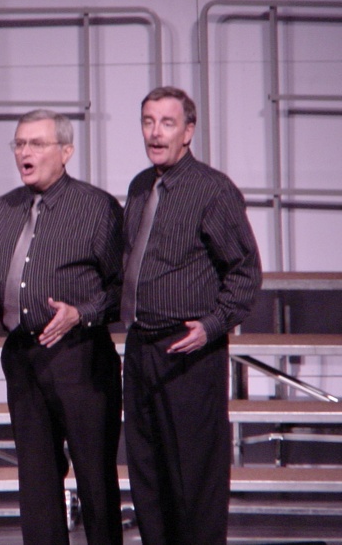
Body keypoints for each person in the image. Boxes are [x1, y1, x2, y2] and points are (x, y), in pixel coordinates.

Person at [121, 86, 262, 544]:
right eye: (148, 122)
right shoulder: (140, 186)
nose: (155, 133)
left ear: (188, 131)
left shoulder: (211, 189)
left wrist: (211, 326)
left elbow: (245, 272)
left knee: (194, 478)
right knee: (148, 473)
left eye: (167, 123)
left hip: (188, 350)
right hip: (141, 347)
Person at [0, 110, 124, 544]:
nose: (25, 152)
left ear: (66, 152)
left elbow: (122, 287)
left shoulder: (97, 208)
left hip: (80, 356)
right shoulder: (0, 210)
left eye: (37, 144)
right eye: (20, 144)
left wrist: (81, 312)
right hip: (22, 358)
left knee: (95, 478)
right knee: (37, 482)